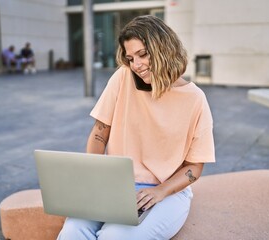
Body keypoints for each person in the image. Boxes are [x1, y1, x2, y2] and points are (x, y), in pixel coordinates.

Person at [57, 15, 215, 240]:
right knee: (72, 232)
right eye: (131, 58)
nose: (136, 65)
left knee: (114, 236)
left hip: (166, 192)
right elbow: (99, 134)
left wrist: (159, 192)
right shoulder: (123, 77)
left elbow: (194, 168)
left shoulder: (195, 99)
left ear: (164, 49)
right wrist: (93, 178)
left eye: (142, 55)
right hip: (114, 184)